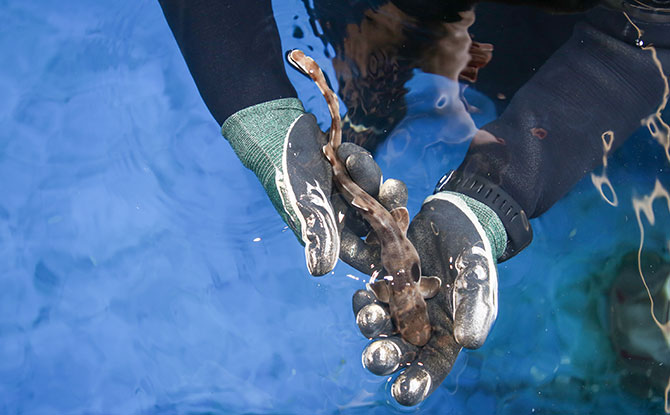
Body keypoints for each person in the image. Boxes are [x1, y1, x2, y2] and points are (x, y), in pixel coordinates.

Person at [158, 0, 670, 406]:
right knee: (369, 75)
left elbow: (650, 29)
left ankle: (358, 126)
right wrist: (255, 102)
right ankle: (362, 112)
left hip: (528, 23)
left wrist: (504, 186)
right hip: (372, 12)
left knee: (496, 76)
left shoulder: (418, 279)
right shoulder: (401, 280)